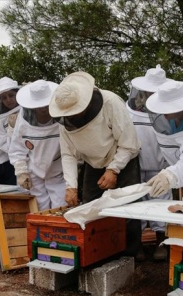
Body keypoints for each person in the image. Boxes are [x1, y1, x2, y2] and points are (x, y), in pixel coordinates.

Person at [49, 71, 142, 257]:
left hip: (122, 158)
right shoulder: (65, 118)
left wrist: (114, 169)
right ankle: (99, 251)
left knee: (128, 207)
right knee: (91, 208)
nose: (72, 116)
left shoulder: (110, 103)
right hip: (92, 163)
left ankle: (131, 255)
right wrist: (71, 187)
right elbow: (68, 154)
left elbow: (129, 143)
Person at [126, 65, 172, 261]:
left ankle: (161, 244)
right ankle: (137, 248)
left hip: (161, 167)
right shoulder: (129, 111)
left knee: (161, 204)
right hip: (135, 166)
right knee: (136, 205)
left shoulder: (170, 110)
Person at [9, 79, 66, 210]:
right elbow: (17, 148)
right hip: (33, 171)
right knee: (39, 209)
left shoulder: (62, 116)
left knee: (61, 208)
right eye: (39, 106)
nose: (43, 108)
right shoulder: (23, 119)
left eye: (46, 104)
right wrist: (21, 172)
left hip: (58, 170)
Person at [0, 77, 21, 154]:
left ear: (17, 94)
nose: (8, 100)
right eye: (4, 98)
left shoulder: (28, 110)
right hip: (18, 158)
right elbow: (2, 143)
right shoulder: (2, 120)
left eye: (11, 95)